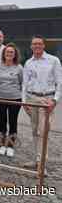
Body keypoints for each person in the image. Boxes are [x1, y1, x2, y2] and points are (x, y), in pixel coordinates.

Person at [22, 35, 62, 171]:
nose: (37, 46)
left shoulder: (53, 61)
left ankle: (41, 163)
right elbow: (24, 84)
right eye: (34, 44)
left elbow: (60, 82)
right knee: (34, 131)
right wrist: (24, 101)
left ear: (44, 45)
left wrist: (55, 100)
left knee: (43, 132)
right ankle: (36, 159)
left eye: (39, 44)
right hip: (32, 99)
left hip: (47, 100)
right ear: (31, 46)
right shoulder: (28, 63)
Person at [0, 43, 23, 157]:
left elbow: (22, 83)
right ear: (4, 54)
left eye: (11, 52)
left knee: (13, 122)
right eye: (7, 52)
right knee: (2, 122)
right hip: (0, 98)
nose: (9, 54)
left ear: (15, 54)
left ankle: (11, 146)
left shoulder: (19, 67)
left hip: (15, 99)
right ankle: (2, 144)